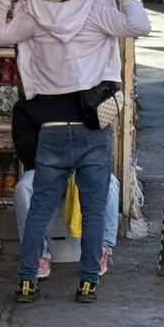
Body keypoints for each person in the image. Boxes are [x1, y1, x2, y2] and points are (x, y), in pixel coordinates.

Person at [0, 0, 151, 303]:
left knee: (40, 208)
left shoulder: (36, 15)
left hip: (52, 127)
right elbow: (140, 25)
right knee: (93, 211)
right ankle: (88, 283)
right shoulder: (98, 13)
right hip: (93, 128)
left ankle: (27, 281)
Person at [11, 98, 120, 280]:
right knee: (23, 189)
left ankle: (103, 249)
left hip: (83, 166)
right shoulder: (27, 106)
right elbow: (26, 150)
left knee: (111, 185)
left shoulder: (88, 99)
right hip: (47, 169)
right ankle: (39, 255)